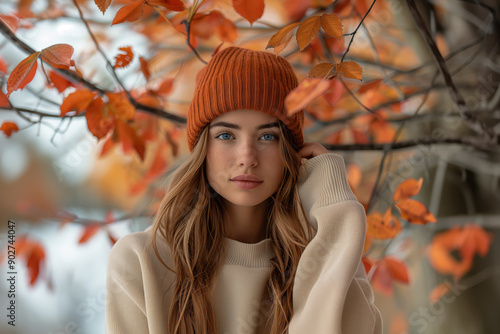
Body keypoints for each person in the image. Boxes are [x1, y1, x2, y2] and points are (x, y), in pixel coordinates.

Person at [105, 46, 382, 334]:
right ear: (203, 148)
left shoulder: (326, 255)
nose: (247, 156)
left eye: (267, 136)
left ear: (290, 150)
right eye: (226, 135)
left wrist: (328, 191)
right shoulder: (141, 262)